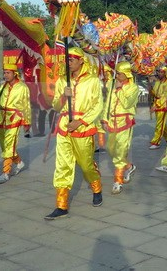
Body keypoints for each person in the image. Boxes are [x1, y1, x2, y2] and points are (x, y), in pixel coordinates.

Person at [44, 47, 104, 220]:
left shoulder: (92, 81)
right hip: (64, 127)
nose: (68, 62)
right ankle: (61, 206)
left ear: (80, 61)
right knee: (62, 165)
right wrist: (63, 96)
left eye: (72, 59)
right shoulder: (63, 80)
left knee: (86, 165)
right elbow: (56, 106)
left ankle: (96, 187)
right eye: (67, 59)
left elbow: (97, 105)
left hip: (83, 127)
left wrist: (80, 121)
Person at [101, 61, 139, 194]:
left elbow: (127, 103)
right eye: (116, 73)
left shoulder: (133, 88)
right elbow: (107, 103)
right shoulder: (111, 84)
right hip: (112, 121)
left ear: (127, 75)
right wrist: (104, 119)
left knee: (121, 151)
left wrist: (120, 89)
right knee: (111, 149)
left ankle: (118, 181)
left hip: (125, 121)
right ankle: (129, 166)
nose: (116, 76)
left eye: (119, 74)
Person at [0, 63, 31, 184]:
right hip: (1, 118)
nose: (5, 75)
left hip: (14, 118)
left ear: (14, 74)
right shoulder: (3, 86)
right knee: (5, 146)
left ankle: (5, 172)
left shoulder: (22, 87)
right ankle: (19, 163)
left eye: (8, 73)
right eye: (4, 72)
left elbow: (26, 105)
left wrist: (27, 121)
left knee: (9, 145)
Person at [149, 67, 167, 149]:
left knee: (159, 125)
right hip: (157, 103)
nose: (159, 73)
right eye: (158, 71)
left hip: (163, 106)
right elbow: (155, 94)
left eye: (161, 72)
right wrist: (151, 89)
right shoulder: (157, 82)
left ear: (165, 73)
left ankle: (156, 142)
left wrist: (155, 106)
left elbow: (165, 97)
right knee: (162, 125)